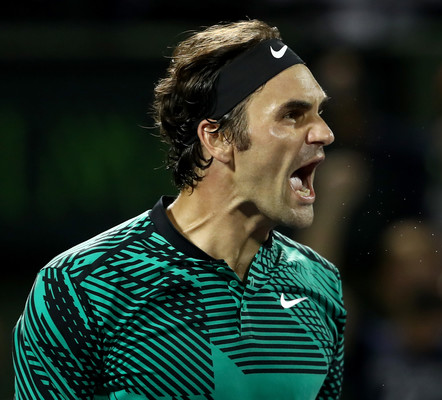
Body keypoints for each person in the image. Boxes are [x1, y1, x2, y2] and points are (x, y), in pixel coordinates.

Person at [12, 19, 345, 400]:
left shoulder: (320, 285)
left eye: (319, 112)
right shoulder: (80, 287)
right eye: (292, 114)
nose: (324, 132)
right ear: (217, 138)